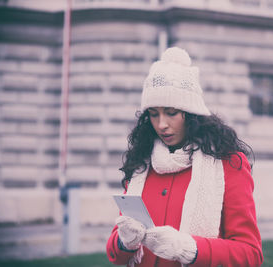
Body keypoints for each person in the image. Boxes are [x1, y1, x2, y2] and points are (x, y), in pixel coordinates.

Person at [106, 47, 263, 267]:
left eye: (171, 113)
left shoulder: (228, 163)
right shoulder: (142, 164)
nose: (161, 124)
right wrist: (125, 242)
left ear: (190, 113)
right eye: (153, 114)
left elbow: (250, 254)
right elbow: (114, 254)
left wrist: (190, 248)